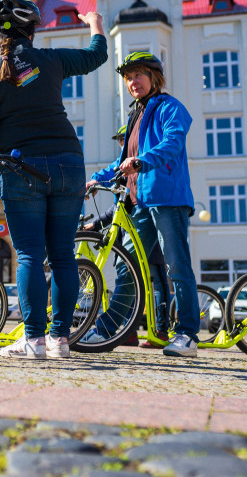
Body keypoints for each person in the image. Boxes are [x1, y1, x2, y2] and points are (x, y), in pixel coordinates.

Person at [0, 0, 107, 359]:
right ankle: (60, 339)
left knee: (29, 254)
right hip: (68, 164)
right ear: (33, 29)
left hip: (21, 168)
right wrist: (94, 23)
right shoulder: (53, 59)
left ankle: (34, 340)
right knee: (62, 254)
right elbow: (96, 55)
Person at [87, 51, 199, 357]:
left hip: (167, 200)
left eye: (138, 75)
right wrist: (96, 179)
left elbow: (171, 143)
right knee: (127, 268)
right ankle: (108, 330)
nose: (133, 82)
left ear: (154, 78)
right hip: (138, 201)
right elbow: (123, 161)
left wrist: (143, 160)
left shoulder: (169, 107)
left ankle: (187, 335)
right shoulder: (136, 115)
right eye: (128, 78)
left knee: (177, 265)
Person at [84, 125, 169, 348]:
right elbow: (112, 174)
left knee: (157, 282)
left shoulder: (144, 154)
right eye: (121, 141)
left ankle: (162, 330)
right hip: (128, 230)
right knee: (129, 276)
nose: (122, 144)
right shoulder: (124, 162)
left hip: (150, 221)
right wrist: (95, 180)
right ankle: (127, 331)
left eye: (124, 139)